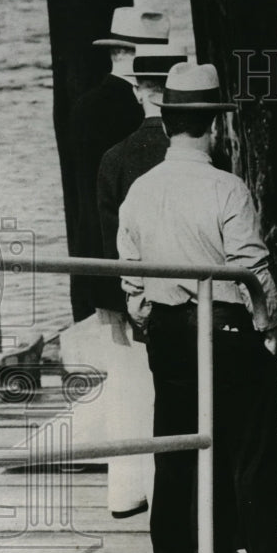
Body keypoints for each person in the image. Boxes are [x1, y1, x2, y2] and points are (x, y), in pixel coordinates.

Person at [117, 62, 277, 553]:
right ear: (214, 125)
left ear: (167, 124)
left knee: (174, 447)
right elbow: (253, 271)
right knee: (253, 454)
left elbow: (131, 278)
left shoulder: (140, 191)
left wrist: (149, 319)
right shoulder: (227, 188)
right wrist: (268, 328)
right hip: (226, 333)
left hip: (167, 334)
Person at [82, 44, 188, 520]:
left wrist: (124, 293)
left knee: (128, 389)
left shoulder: (113, 156)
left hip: (119, 287)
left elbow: (111, 233)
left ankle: (127, 492)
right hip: (176, 298)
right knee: (175, 398)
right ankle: (177, 500)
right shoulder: (185, 154)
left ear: (140, 91)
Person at [68, 7, 170, 321]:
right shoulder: (137, 108)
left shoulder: (86, 104)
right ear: (134, 53)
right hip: (132, 262)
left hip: (94, 254)